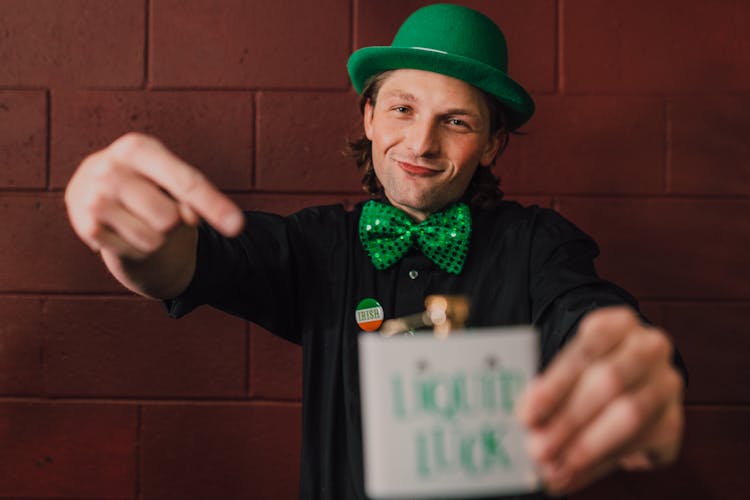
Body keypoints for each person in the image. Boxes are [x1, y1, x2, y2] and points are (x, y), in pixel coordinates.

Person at [64, 4, 686, 499]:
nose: (421, 142)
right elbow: (183, 263)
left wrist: (628, 354)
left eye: (458, 122)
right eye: (402, 108)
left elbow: (591, 316)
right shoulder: (315, 244)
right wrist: (127, 233)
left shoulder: (538, 246)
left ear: (494, 145)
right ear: (368, 116)